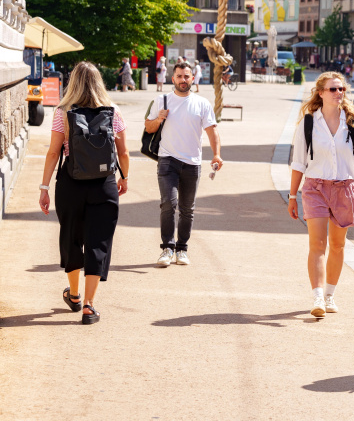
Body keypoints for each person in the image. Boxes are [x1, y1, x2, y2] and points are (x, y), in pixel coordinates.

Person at [38, 62, 129, 325]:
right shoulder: (113, 112)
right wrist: (124, 177)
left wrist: (44, 188)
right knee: (98, 242)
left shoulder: (62, 112)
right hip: (104, 184)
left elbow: (53, 152)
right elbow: (123, 152)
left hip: (71, 183)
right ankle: (89, 306)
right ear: (99, 82)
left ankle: (75, 295)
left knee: (72, 237)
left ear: (73, 82)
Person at [287, 72, 354, 318]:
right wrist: (292, 196)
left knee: (337, 245)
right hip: (315, 188)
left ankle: (329, 295)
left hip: (344, 188)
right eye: (333, 89)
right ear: (321, 93)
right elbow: (299, 162)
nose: (339, 93)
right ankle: (317, 296)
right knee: (317, 244)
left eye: (341, 89)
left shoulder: (353, 123)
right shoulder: (308, 123)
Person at [145, 62, 224, 266]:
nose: (183, 80)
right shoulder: (161, 100)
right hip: (167, 160)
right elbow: (148, 128)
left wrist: (217, 154)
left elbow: (212, 130)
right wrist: (159, 119)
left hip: (192, 163)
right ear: (173, 79)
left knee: (187, 209)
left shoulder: (202, 103)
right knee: (168, 204)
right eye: (179, 76)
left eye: (186, 76)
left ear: (192, 79)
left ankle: (182, 249)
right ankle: (167, 248)